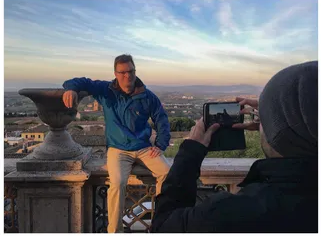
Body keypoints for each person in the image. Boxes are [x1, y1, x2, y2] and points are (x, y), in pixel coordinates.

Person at [151, 61, 317, 233]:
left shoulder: (231, 214)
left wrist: (189, 153)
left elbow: (163, 226)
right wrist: (273, 115)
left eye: (266, 120)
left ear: (274, 132)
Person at [62, 54, 171, 233]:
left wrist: (160, 145)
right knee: (118, 183)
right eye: (122, 72)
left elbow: (161, 119)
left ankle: (160, 222)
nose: (127, 76)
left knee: (166, 173)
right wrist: (71, 89)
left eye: (130, 71)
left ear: (135, 71)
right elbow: (82, 81)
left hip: (144, 148)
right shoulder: (106, 90)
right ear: (115, 73)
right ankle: (114, 231)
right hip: (118, 149)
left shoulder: (147, 96)